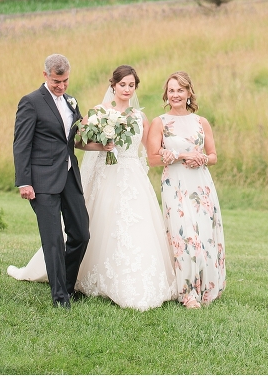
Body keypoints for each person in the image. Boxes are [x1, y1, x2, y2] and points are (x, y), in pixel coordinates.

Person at [9, 65, 177, 311]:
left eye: (131, 85)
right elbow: (77, 140)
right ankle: (63, 291)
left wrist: (174, 152)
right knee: (91, 226)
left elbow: (152, 148)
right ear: (113, 85)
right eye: (122, 84)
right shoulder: (99, 111)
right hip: (103, 175)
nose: (127, 89)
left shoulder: (139, 117)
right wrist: (102, 146)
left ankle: (116, 281)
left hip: (132, 176)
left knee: (124, 228)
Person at [11, 52, 111, 309]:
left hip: (68, 175)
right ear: (45, 75)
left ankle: (67, 284)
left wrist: (102, 142)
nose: (62, 86)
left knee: (81, 233)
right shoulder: (31, 102)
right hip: (41, 180)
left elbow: (75, 139)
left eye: (65, 80)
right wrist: (24, 181)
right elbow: (21, 144)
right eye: (57, 81)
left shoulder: (70, 102)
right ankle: (59, 297)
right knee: (53, 239)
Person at [147, 70, 226, 308]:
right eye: (171, 90)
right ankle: (188, 294)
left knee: (204, 237)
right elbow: (153, 158)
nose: (175, 95)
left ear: (189, 92)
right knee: (185, 237)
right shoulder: (160, 122)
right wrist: (181, 155)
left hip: (201, 185)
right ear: (166, 94)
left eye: (180, 90)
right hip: (175, 185)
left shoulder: (201, 122)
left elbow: (213, 156)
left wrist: (202, 158)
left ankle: (207, 288)